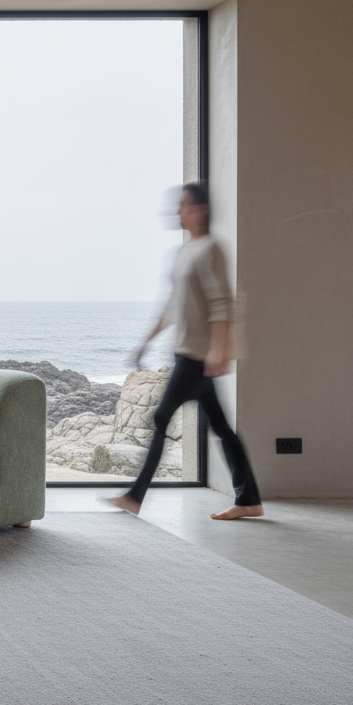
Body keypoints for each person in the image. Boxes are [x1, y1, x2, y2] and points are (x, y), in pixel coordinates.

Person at [104, 182, 263, 520]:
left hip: (198, 356)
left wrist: (219, 350)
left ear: (200, 209)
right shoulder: (182, 252)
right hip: (186, 353)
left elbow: (222, 303)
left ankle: (135, 496)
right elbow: (173, 306)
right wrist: (146, 341)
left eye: (183, 205)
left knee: (162, 417)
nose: (177, 212)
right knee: (220, 427)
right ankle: (249, 500)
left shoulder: (211, 249)